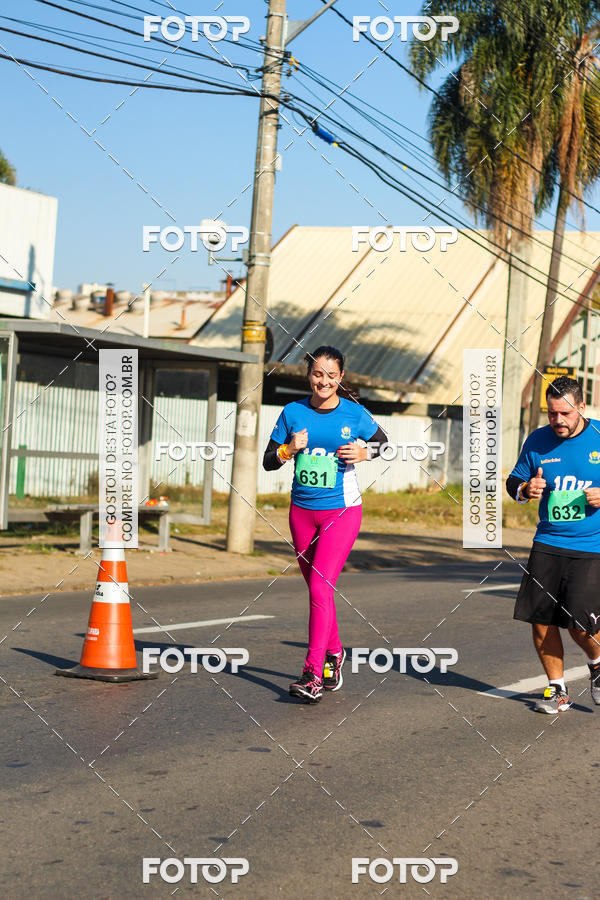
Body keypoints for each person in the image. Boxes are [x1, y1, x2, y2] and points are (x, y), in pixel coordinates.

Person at [263, 346, 388, 703]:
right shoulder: (292, 412)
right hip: (301, 512)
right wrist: (288, 450)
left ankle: (312, 674)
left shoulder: (355, 414)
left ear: (341, 378)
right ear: (309, 375)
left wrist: (365, 453)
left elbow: (385, 444)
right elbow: (269, 461)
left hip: (342, 511)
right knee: (318, 590)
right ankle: (335, 652)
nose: (324, 381)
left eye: (331, 376)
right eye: (318, 374)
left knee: (320, 588)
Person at [507, 375, 600, 713]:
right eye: (551, 413)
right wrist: (524, 490)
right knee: (541, 618)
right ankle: (557, 689)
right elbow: (514, 479)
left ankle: (597, 662)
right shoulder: (538, 440)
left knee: (580, 624)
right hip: (547, 541)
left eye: (565, 413)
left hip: (591, 546)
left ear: (582, 407)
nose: (558, 420)